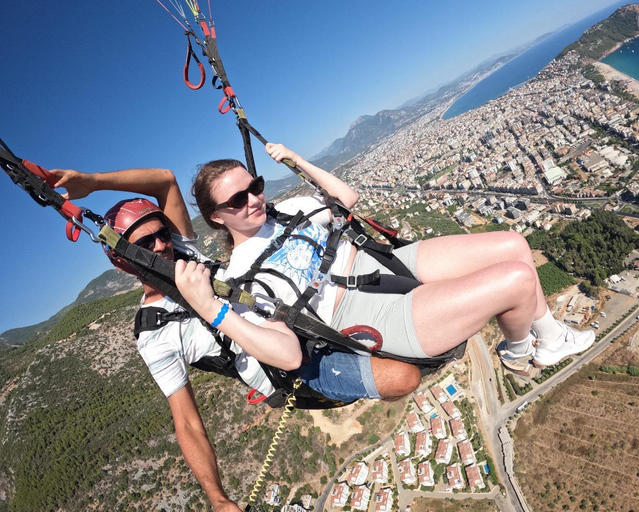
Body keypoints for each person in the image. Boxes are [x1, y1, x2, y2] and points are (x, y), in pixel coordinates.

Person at [50, 165, 421, 512]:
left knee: (414, 298)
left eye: (163, 234)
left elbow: (164, 180)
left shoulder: (186, 255)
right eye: (145, 244)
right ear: (122, 259)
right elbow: (188, 423)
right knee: (404, 376)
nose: (161, 246)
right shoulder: (156, 333)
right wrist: (218, 499)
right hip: (292, 368)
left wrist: (91, 182)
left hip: (304, 313)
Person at [187, 143, 595, 376]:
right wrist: (211, 309)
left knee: (514, 246)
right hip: (359, 313)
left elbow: (346, 199)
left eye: (254, 187)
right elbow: (289, 355)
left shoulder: (287, 209)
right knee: (519, 279)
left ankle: (552, 341)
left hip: (379, 263)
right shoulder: (240, 276)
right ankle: (518, 352)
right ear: (216, 217)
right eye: (238, 200)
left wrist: (295, 160)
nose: (254, 200)